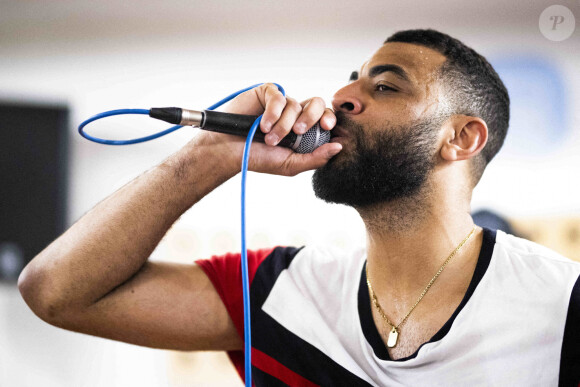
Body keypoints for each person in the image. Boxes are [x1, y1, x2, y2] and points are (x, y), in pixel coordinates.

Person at [18, 29, 579, 386]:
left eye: (385, 87)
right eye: (349, 81)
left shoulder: (562, 307)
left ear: (462, 139)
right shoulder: (280, 289)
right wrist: (209, 156)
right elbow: (55, 291)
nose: (342, 99)